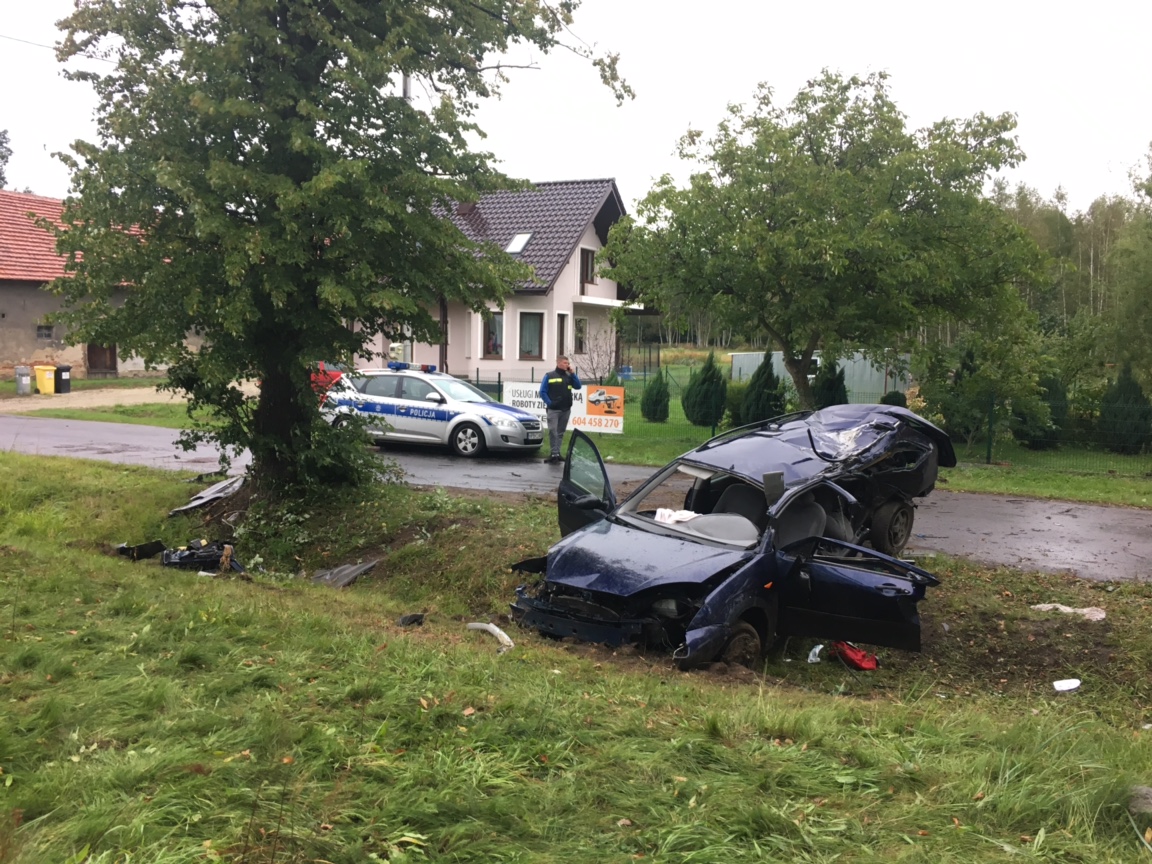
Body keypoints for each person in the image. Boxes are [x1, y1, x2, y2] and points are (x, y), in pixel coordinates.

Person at [539, 355, 582, 463]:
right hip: (554, 410)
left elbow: (578, 386)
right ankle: (553, 454)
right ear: (558, 363)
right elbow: (542, 391)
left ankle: (557, 454)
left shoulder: (569, 376)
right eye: (564, 363)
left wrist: (572, 373)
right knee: (553, 431)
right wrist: (550, 403)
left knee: (560, 432)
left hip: (566, 409)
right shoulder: (549, 376)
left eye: (568, 363)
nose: (567, 365)